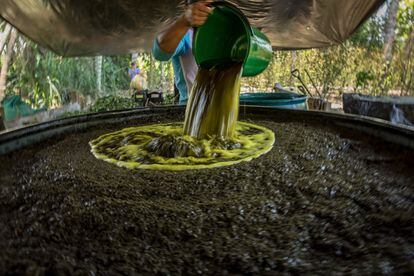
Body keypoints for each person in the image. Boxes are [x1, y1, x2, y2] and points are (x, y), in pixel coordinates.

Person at [152, 0, 214, 105]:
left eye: (210, 5)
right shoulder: (184, 34)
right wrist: (185, 21)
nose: (204, 8)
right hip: (191, 106)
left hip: (218, 104)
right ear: (186, 7)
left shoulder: (220, 32)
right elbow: (159, 53)